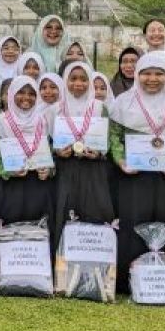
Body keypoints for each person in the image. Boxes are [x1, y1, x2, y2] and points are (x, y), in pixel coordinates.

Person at [108, 51, 165, 290]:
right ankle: (130, 280)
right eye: (146, 73)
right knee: (133, 221)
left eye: (159, 73)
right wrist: (121, 161)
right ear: (137, 75)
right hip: (134, 178)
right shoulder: (123, 103)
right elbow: (114, 137)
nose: (152, 79)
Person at [44, 62, 114, 238]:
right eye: (73, 78)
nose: (78, 83)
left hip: (93, 170)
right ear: (65, 81)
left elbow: (109, 139)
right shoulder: (53, 110)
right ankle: (62, 261)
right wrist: (56, 151)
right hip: (64, 169)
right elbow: (45, 142)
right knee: (64, 211)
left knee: (93, 212)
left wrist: (99, 152)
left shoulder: (99, 107)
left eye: (84, 79)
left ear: (90, 82)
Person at [0, 77, 56, 241]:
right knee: (10, 226)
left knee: (36, 225)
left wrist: (49, 169)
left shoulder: (43, 121)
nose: (26, 97)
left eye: (31, 94)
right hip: (10, 187)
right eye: (21, 92)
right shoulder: (0, 122)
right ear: (12, 94)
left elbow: (52, 153)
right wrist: (7, 171)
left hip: (38, 186)